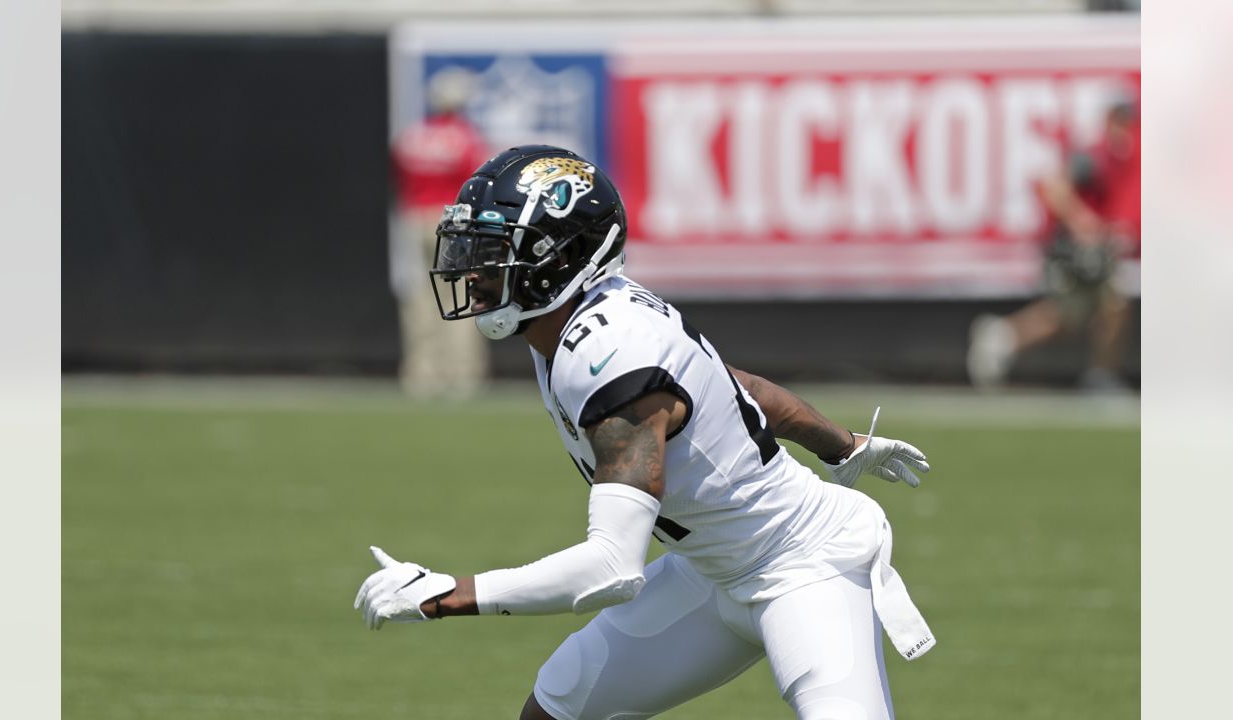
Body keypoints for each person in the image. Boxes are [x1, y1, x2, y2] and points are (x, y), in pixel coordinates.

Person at [355, 146, 936, 720]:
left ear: (560, 260)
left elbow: (611, 568)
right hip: (707, 570)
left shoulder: (609, 352)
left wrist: (444, 595)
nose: (473, 270)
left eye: (497, 252)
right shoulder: (579, 321)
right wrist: (842, 444)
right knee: (559, 708)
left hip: (803, 565)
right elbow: (737, 387)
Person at [967, 100, 1140, 392]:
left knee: (1074, 314)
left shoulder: (1119, 159)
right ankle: (1100, 376)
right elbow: (1054, 186)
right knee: (1099, 306)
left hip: (1089, 253)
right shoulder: (1095, 155)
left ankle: (1004, 336)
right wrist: (1084, 224)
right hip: (1071, 251)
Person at [390, 66, 491, 399]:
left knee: (420, 297)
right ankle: (461, 375)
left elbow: (401, 178)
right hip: (451, 219)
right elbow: (475, 186)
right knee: (459, 295)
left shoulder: (414, 136)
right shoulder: (465, 138)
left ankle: (422, 374)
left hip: (414, 217)